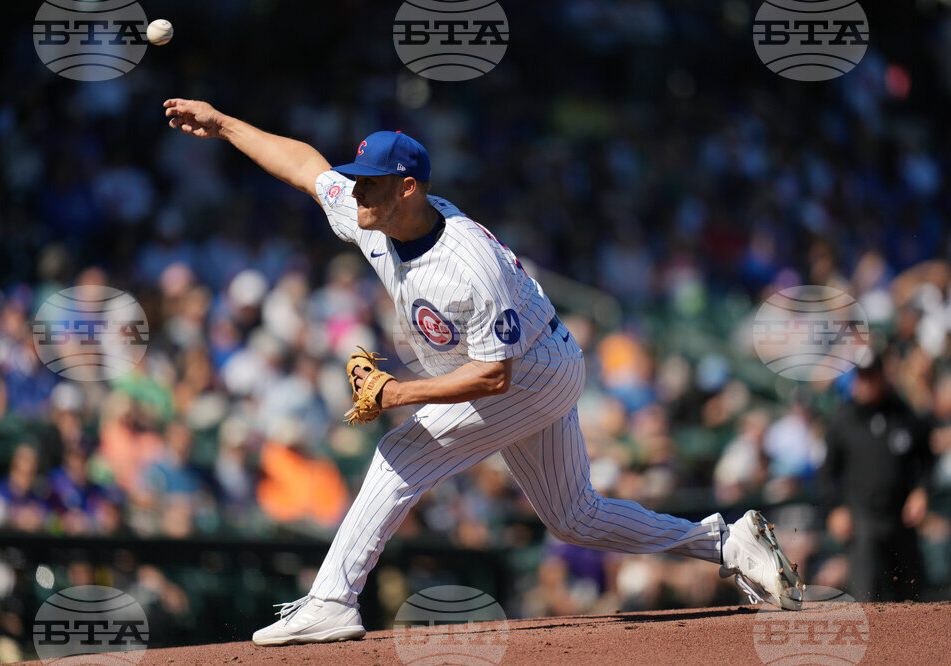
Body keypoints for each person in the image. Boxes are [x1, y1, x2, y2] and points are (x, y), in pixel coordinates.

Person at [162, 99, 804, 646]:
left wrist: (400, 393)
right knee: (572, 517)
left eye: (371, 182)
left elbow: (494, 378)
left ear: (407, 187)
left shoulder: (468, 264)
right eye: (358, 180)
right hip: (530, 365)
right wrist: (222, 124)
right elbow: (307, 168)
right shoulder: (375, 217)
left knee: (399, 453)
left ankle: (332, 600)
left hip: (531, 371)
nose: (356, 191)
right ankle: (724, 543)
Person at [821, 351, 933, 601]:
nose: (866, 383)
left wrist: (921, 491)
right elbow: (828, 473)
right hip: (863, 522)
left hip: (902, 520)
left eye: (871, 376)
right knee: (867, 597)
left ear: (882, 377)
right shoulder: (842, 420)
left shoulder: (903, 414)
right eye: (861, 377)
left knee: (911, 597)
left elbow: (926, 460)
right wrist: (836, 508)